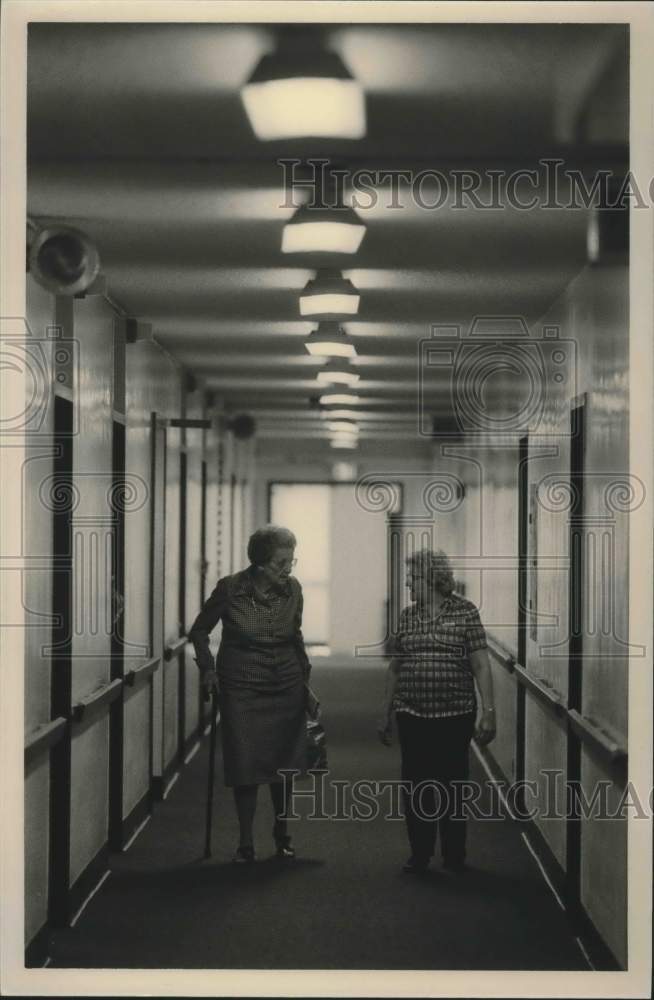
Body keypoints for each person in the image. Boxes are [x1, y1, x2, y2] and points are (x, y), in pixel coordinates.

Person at [188, 525, 311, 863]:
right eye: (280, 562)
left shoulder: (294, 590)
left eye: (291, 561)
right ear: (259, 562)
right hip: (241, 686)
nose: (287, 569)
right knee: (246, 764)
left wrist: (304, 676)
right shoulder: (230, 589)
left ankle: (282, 833)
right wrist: (208, 670)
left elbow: (296, 633)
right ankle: (245, 841)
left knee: (284, 763)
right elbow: (199, 631)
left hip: (285, 684)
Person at [378, 548, 496, 874]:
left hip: (454, 714)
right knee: (416, 784)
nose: (407, 584)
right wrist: (385, 711)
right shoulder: (408, 616)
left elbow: (481, 665)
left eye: (412, 578)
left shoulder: (465, 612)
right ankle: (420, 852)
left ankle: (454, 853)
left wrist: (489, 710)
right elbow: (395, 667)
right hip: (412, 712)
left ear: (431, 579)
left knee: (451, 783)